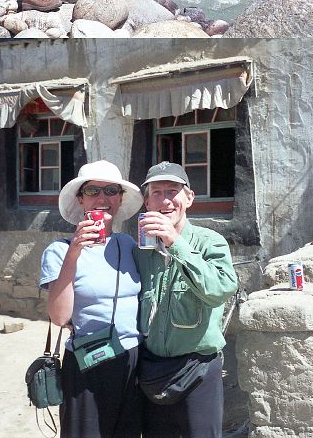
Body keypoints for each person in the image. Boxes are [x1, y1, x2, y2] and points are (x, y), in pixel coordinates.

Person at [40, 160, 144, 438]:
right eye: (92, 191)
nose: (102, 198)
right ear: (81, 199)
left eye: (111, 190)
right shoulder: (59, 251)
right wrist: (75, 252)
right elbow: (59, 318)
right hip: (88, 361)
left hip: (131, 358)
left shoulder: (129, 245)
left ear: (120, 199)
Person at [134, 161, 238, 438]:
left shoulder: (210, 242)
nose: (166, 200)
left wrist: (175, 243)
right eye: (157, 192)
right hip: (152, 368)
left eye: (173, 191)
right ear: (146, 202)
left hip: (198, 369)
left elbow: (219, 289)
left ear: (189, 198)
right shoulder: (140, 251)